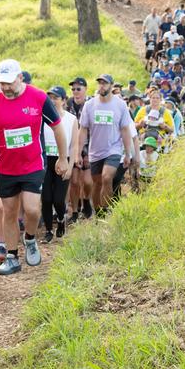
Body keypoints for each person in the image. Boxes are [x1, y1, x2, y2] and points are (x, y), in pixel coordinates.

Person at [0, 59, 69, 275]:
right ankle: (11, 257)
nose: (6, 88)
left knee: (31, 209)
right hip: (6, 167)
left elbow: (57, 127)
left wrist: (63, 158)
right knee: (8, 212)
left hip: (33, 164)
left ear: (20, 78)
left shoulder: (38, 97)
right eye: (2, 83)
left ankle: (29, 239)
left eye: (10, 82)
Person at [77, 74, 133, 216]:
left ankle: (107, 211)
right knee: (97, 184)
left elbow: (125, 129)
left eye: (105, 83)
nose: (102, 86)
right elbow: (83, 129)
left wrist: (128, 153)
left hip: (114, 149)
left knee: (107, 178)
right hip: (95, 151)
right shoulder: (90, 105)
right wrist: (78, 152)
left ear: (111, 85)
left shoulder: (120, 105)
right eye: (100, 83)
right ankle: (99, 214)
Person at [40, 87, 78, 243]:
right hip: (46, 161)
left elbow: (74, 145)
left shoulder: (71, 119)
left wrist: (70, 166)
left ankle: (61, 221)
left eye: (56, 97)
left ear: (63, 100)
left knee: (58, 199)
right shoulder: (42, 118)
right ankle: (48, 230)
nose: (52, 100)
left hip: (63, 160)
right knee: (46, 198)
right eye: (49, 97)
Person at [66, 77, 93, 222]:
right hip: (72, 145)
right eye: (73, 89)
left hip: (88, 145)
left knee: (88, 181)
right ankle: (75, 212)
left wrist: (87, 151)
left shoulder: (91, 104)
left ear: (85, 89)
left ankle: (87, 200)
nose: (75, 92)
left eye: (78, 89)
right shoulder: (68, 104)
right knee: (74, 181)